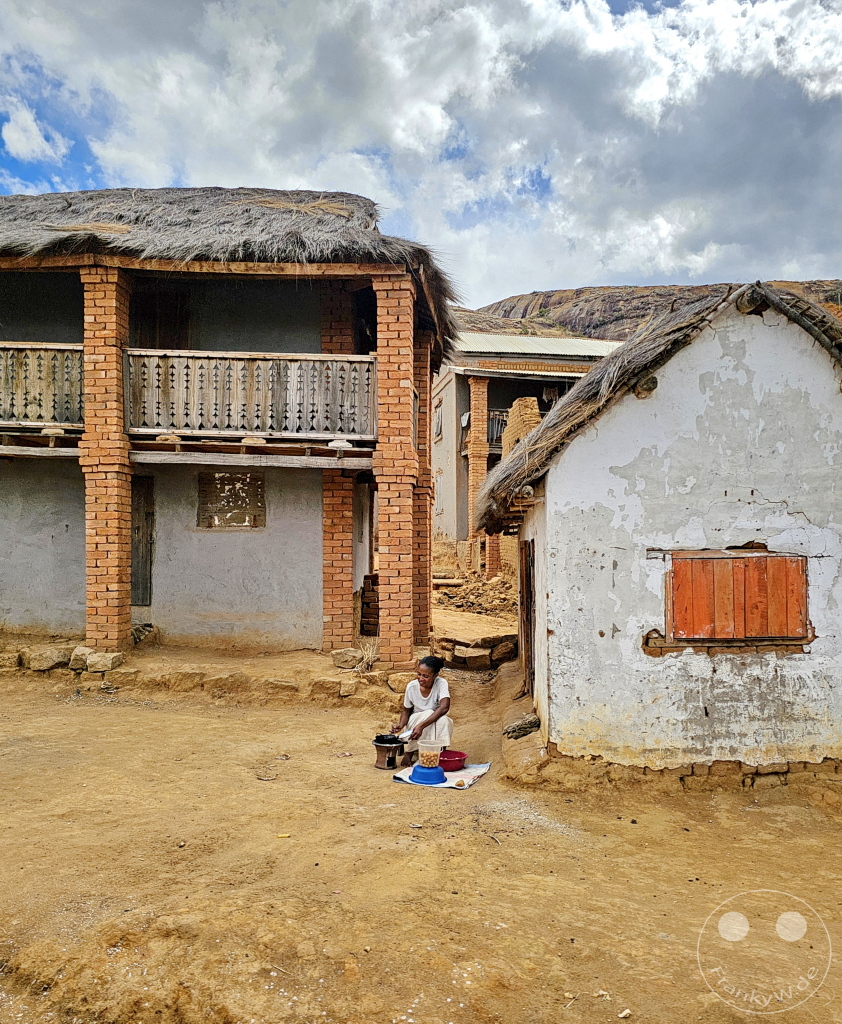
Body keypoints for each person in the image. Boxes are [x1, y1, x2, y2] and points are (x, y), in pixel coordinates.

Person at [391, 655, 453, 767]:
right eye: (419, 674)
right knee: (430, 713)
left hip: (429, 722)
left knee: (444, 720)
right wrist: (400, 725)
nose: (420, 678)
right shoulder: (411, 687)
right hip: (415, 722)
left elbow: (444, 707)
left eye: (425, 676)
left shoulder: (441, 683)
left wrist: (422, 726)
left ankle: (439, 753)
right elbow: (406, 711)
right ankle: (409, 753)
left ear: (435, 676)